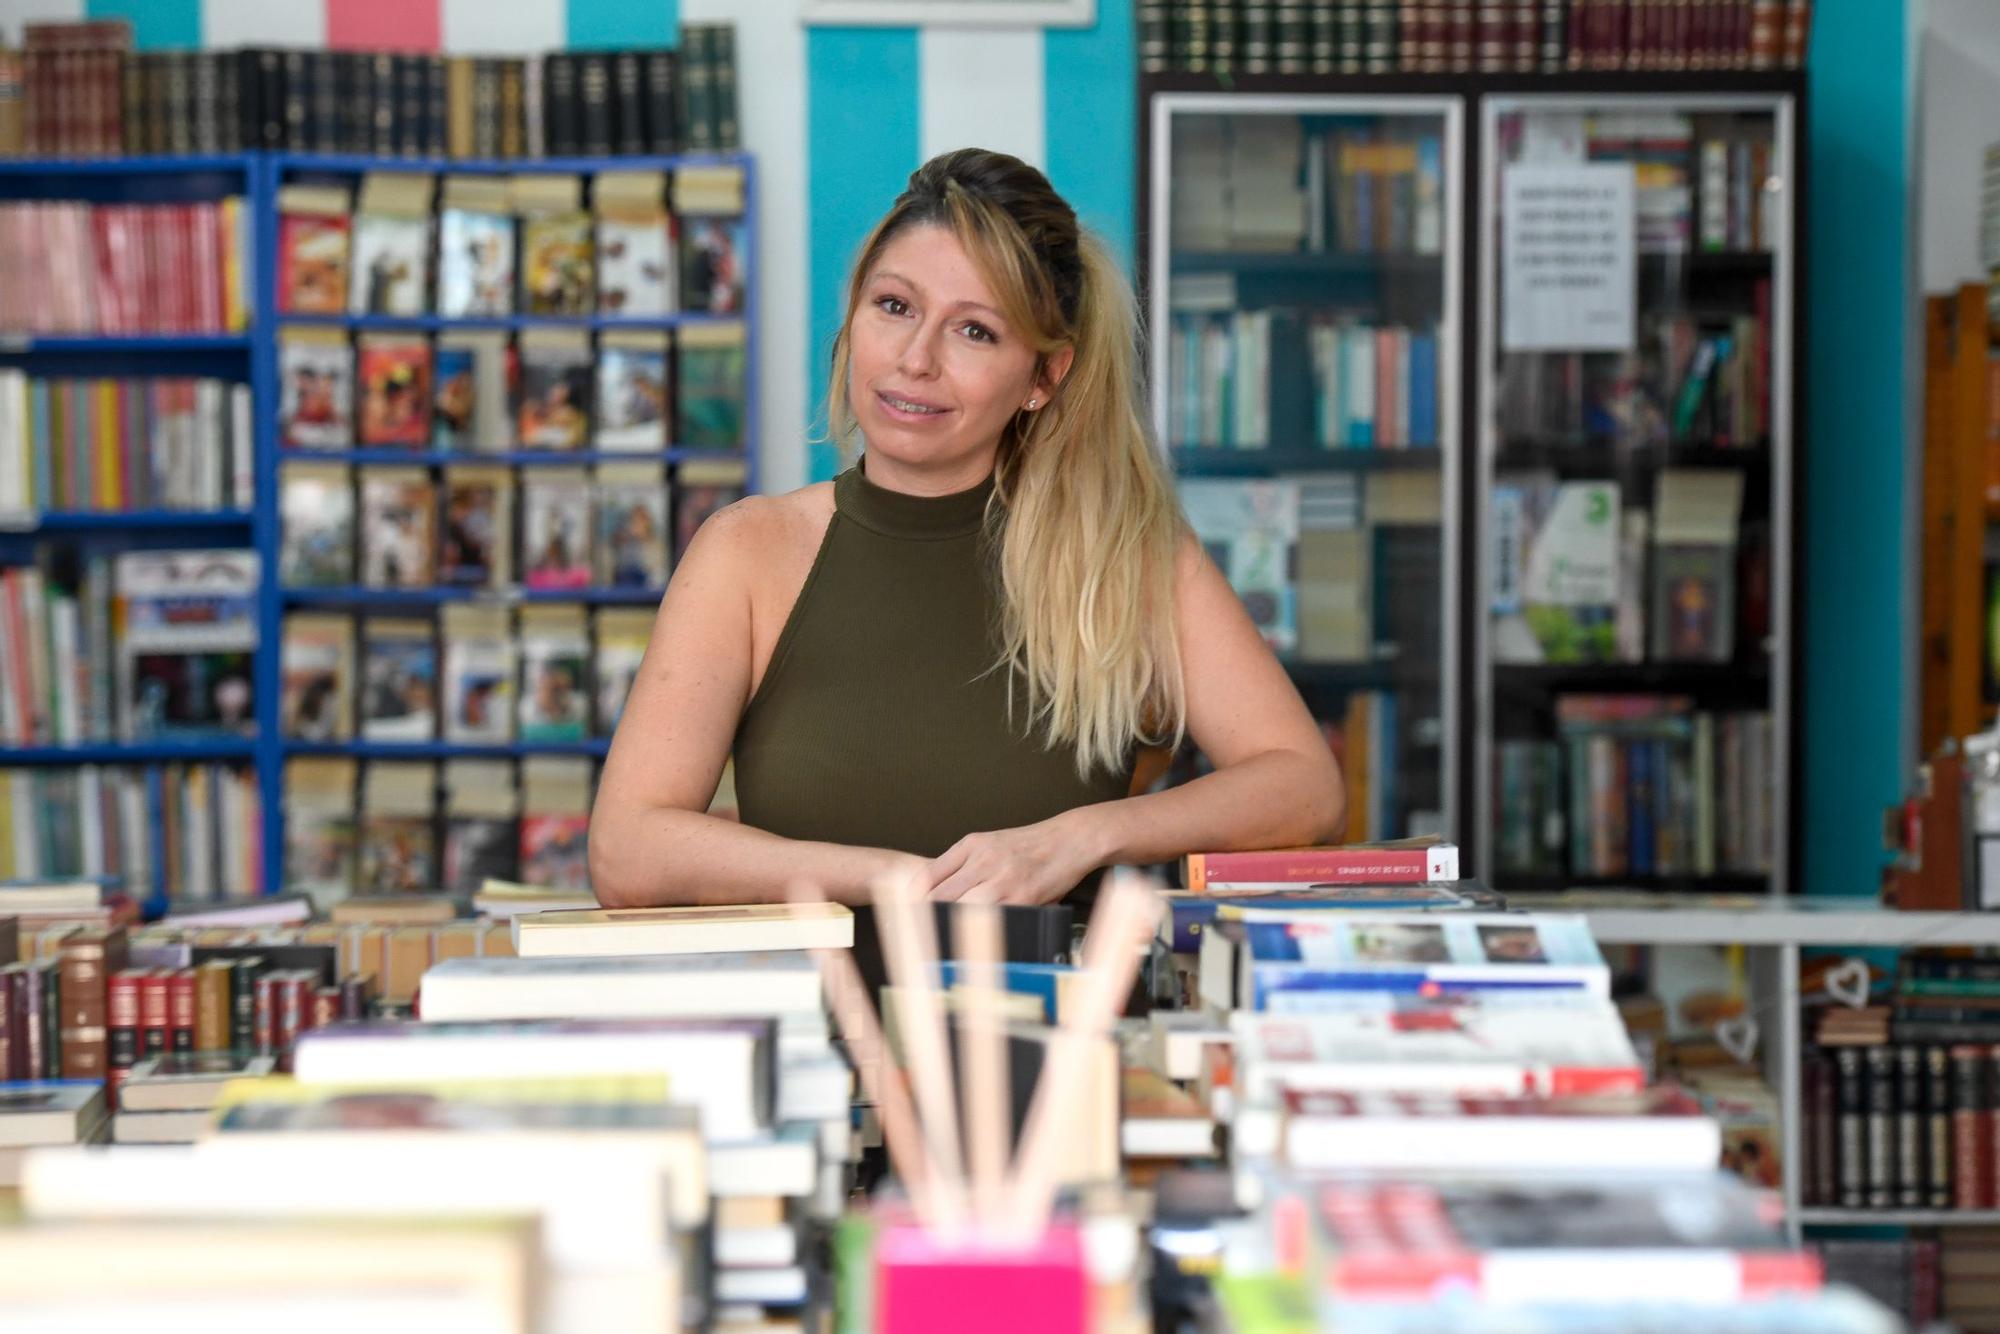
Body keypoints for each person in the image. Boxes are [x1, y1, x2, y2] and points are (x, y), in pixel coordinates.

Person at [589, 148, 1343, 908]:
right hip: (814, 1021)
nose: (916, 360)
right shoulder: (746, 550)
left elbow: (1305, 786)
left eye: (975, 331)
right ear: (852, 318)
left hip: (1055, 1022)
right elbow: (628, 852)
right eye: (895, 307)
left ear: (1042, 378)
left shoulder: (1126, 552)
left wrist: (1084, 835)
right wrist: (904, 883)